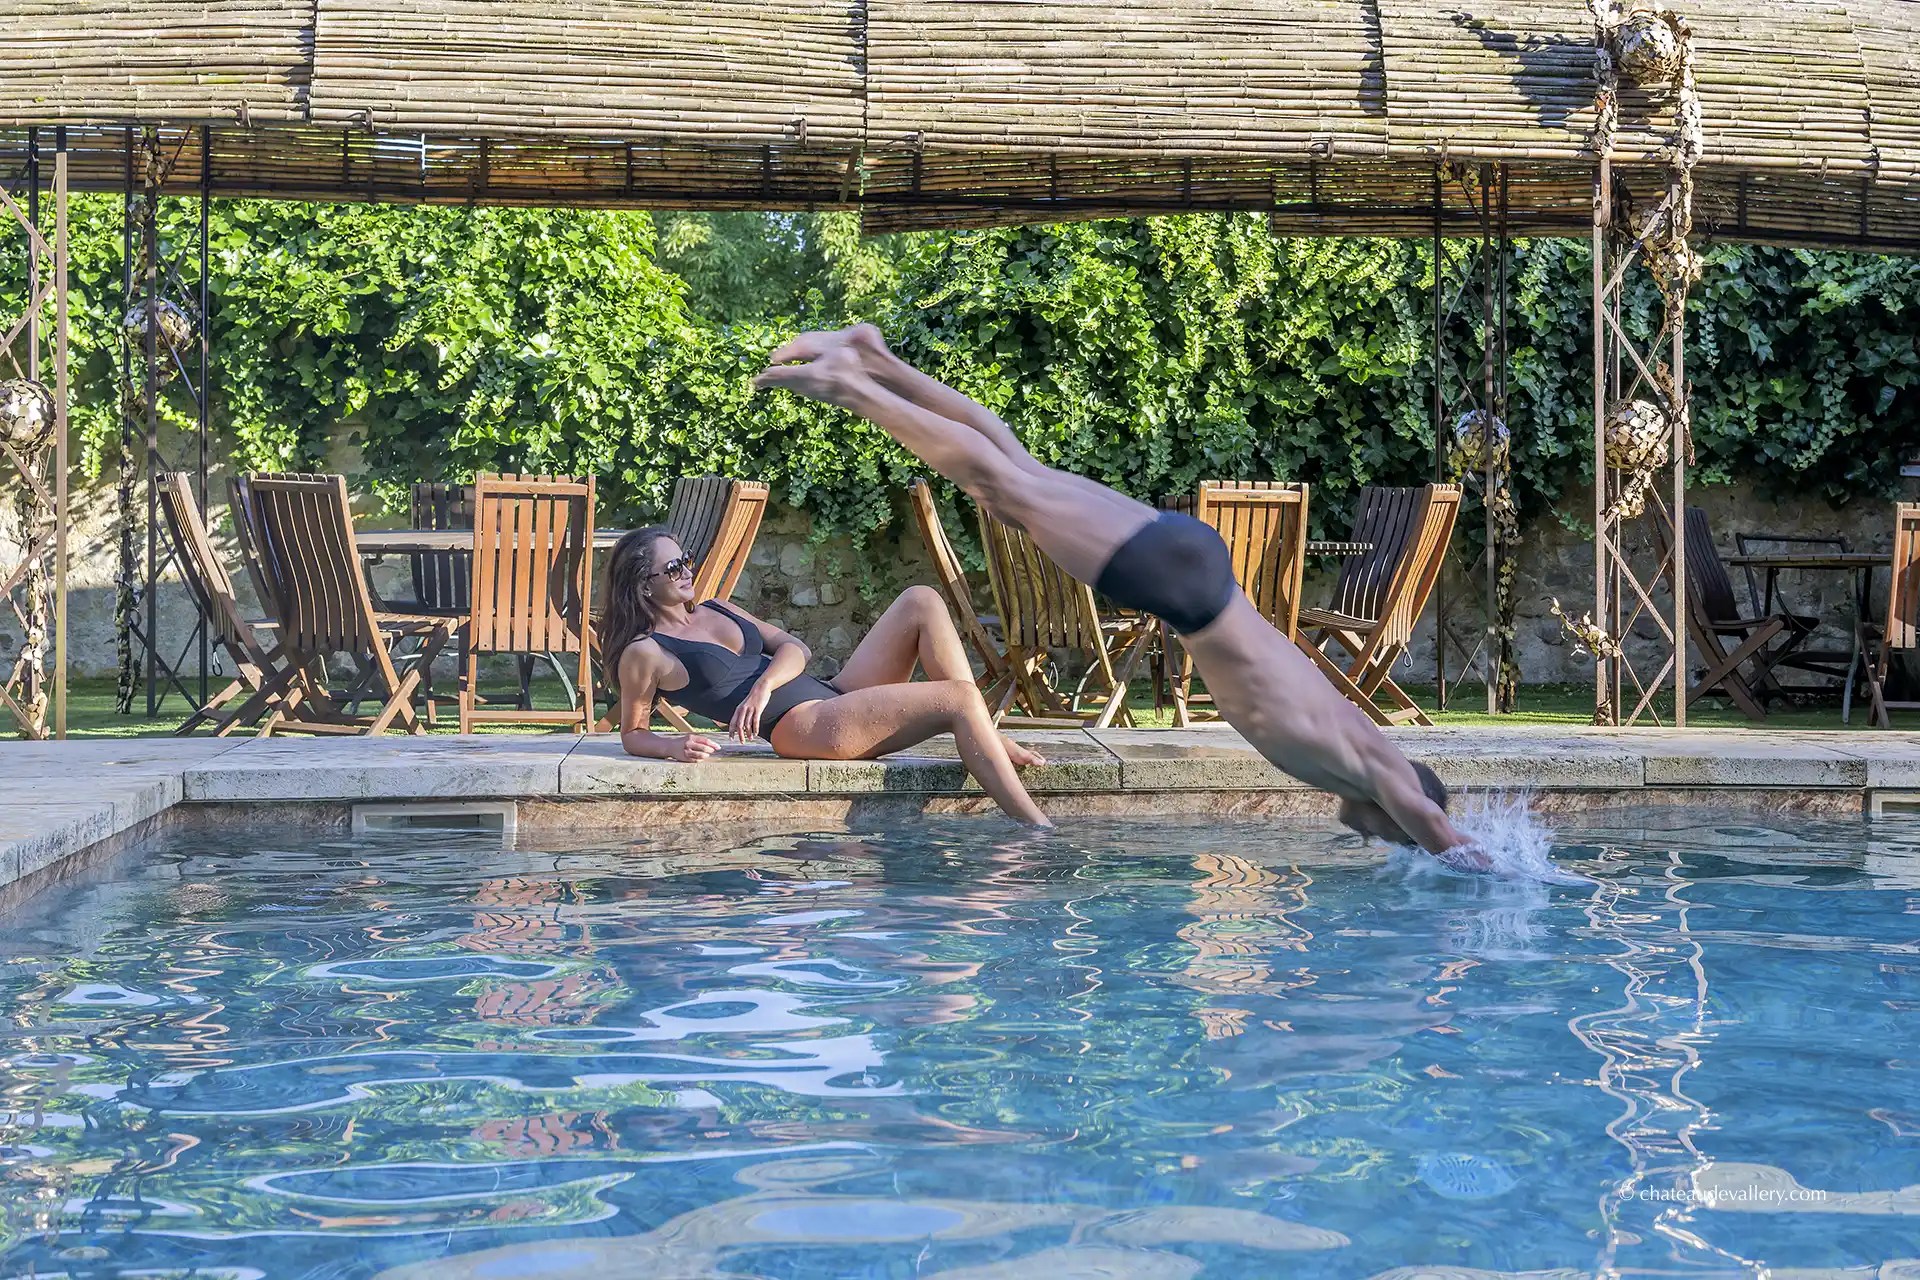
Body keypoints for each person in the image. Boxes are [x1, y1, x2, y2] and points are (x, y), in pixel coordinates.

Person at [754, 324, 1485, 866]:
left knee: (1016, 477)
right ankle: (853, 383)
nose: (1374, 834)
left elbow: (1407, 799)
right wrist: (1490, 869)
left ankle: (880, 361)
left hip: (1195, 571)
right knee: (1005, 483)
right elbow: (1428, 817)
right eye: (1389, 830)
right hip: (1184, 589)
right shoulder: (1373, 769)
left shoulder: (1362, 750)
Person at [601, 528, 1053, 827]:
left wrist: (763, 685)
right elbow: (633, 734)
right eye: (673, 568)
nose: (687, 571)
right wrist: (673, 745)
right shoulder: (646, 652)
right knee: (959, 697)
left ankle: (987, 738)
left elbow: (796, 648)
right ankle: (1038, 830)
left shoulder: (718, 607)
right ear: (644, 584)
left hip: (832, 693)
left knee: (921, 600)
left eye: (686, 560)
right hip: (803, 726)